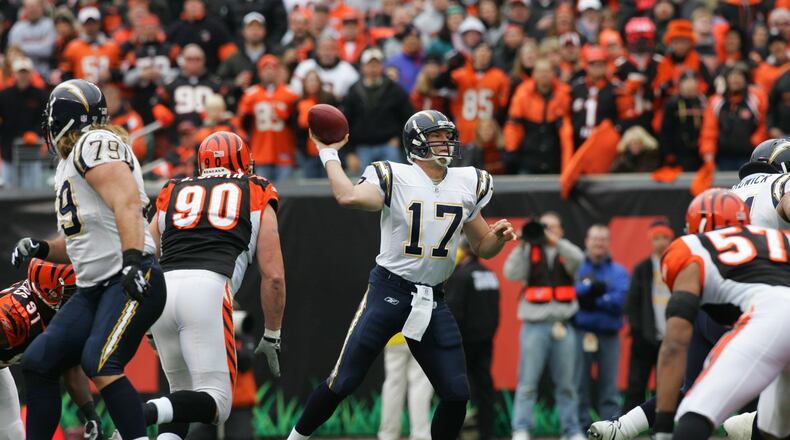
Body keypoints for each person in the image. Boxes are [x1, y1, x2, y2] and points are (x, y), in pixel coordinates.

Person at [285, 109, 516, 440]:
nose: (446, 142)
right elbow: (347, 196)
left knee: (456, 392)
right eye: (436, 136)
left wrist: (498, 238)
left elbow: (482, 246)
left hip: (433, 298)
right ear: (417, 143)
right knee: (344, 381)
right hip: (389, 291)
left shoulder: (468, 182)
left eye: (447, 135)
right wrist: (328, 153)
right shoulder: (393, 175)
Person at [588, 140, 790, 440]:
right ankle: (753, 422)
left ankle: (626, 425)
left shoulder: (713, 216)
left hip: (729, 311)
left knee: (698, 398)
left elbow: (673, 346)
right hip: (768, 307)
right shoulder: (779, 189)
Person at [11, 79, 167, 440]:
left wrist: (131, 261)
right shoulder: (72, 160)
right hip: (96, 286)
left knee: (100, 361)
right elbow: (82, 239)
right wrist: (43, 248)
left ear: (63, 117)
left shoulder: (94, 143)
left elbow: (126, 201)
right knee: (38, 361)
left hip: (130, 274)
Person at [144, 131, 284, 439]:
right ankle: (143, 413)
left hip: (163, 290)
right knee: (218, 402)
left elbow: (144, 252)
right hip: (208, 287)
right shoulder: (257, 190)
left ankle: (154, 413)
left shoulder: (173, 189)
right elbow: (273, 276)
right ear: (246, 162)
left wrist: (146, 319)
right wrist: (272, 333)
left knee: (180, 399)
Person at [654, 189, 790, 440]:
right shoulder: (778, 238)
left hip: (774, 317)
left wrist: (662, 427)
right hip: (778, 318)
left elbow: (674, 344)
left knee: (696, 411)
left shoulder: (690, 248)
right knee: (773, 428)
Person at [0, 259, 105, 440]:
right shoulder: (15, 315)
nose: (79, 298)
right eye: (73, 292)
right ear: (50, 291)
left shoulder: (51, 313)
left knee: (13, 433)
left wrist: (90, 413)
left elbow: (70, 365)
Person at [504, 212, 586, 440]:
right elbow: (510, 273)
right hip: (534, 326)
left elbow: (579, 259)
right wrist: (522, 244)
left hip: (563, 325)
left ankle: (572, 430)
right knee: (527, 382)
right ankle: (521, 428)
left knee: (567, 384)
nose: (547, 231)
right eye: (544, 227)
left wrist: (554, 241)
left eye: (552, 227)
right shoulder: (529, 251)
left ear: (560, 230)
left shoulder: (565, 251)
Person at [573, 224, 629, 428]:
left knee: (609, 386)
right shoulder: (576, 267)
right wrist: (593, 293)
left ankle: (609, 427)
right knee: (579, 383)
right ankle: (579, 428)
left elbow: (620, 301)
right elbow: (572, 294)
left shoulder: (619, 271)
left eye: (603, 239)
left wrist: (591, 300)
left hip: (609, 335)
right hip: (581, 333)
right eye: (595, 239)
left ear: (608, 243)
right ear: (587, 242)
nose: (599, 243)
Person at [446, 237, 500, 440]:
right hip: (485, 342)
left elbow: (454, 310)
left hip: (463, 343)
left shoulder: (460, 276)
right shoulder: (490, 275)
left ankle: (454, 434)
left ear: (463, 251)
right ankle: (488, 433)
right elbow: (496, 311)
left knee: (456, 390)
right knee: (485, 388)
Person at [623, 219, 674, 412]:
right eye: (656, 238)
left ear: (671, 239)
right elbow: (632, 303)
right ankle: (626, 426)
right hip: (645, 339)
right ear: (651, 241)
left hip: (671, 338)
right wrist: (638, 331)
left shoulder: (678, 264)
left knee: (666, 385)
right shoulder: (642, 269)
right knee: (636, 384)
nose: (661, 242)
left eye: (665, 238)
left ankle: (661, 427)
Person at [342, 47, 414, 172]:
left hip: (389, 145)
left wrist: (399, 138)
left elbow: (408, 117)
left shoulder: (395, 89)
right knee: (363, 188)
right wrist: (350, 152)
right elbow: (345, 122)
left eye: (376, 65)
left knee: (393, 186)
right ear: (363, 67)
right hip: (362, 147)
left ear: (382, 67)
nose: (373, 69)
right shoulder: (353, 91)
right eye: (370, 65)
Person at [237, 54, 299, 182]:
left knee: (284, 194)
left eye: (273, 68)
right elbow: (242, 124)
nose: (269, 72)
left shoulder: (290, 93)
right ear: (260, 72)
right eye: (266, 68)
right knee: (262, 193)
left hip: (284, 149)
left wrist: (286, 117)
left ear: (278, 71)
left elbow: (297, 124)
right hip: (260, 151)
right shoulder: (251, 94)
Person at [378, 333, 433, 440]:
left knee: (393, 385)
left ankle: (388, 435)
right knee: (420, 385)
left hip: (395, 335)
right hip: (421, 334)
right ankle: (420, 436)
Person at [7, 0, 55, 77]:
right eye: (29, 7)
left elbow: (47, 50)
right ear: (24, 9)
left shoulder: (49, 25)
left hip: (44, 74)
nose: (32, 9)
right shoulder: (17, 27)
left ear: (42, 7)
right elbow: (14, 52)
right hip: (21, 74)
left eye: (35, 6)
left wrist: (22, 47)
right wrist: (39, 45)